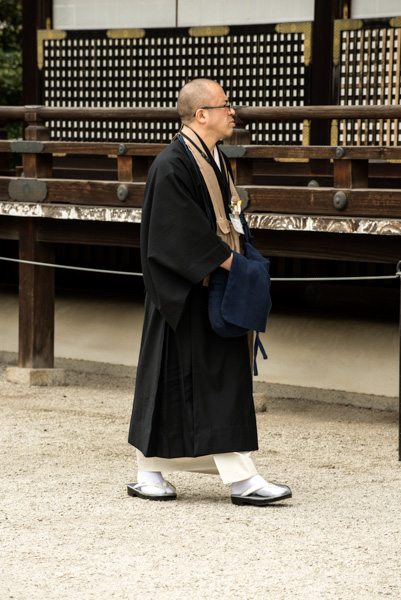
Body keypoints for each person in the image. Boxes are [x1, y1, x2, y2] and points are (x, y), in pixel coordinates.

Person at [127, 78, 292, 506]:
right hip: (183, 292)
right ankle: (236, 479)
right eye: (225, 105)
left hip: (210, 284)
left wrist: (242, 260)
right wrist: (235, 266)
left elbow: (228, 219)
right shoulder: (172, 163)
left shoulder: (212, 156)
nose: (233, 111)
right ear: (202, 115)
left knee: (213, 384)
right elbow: (175, 233)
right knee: (183, 384)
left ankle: (156, 473)